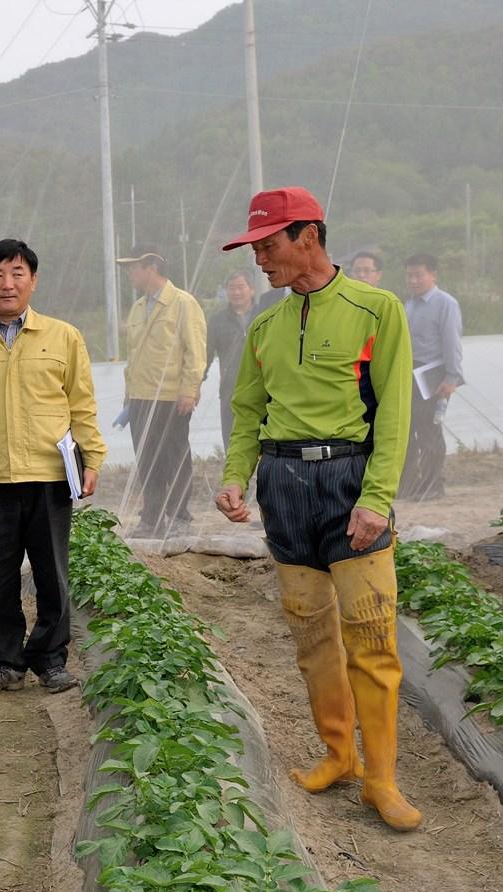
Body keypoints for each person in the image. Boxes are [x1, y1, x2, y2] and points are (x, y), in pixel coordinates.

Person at [216, 186, 420, 831]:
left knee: (372, 633)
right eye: (253, 247)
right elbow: (248, 411)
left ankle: (381, 779)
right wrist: (235, 478)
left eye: (267, 244)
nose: (258, 260)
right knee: (311, 633)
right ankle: (339, 756)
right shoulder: (266, 326)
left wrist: (377, 499)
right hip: (283, 485)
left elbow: (394, 415)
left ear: (308, 236)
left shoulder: (375, 310)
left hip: (349, 481)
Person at [0, 239, 105, 695]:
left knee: (52, 572)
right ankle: (5, 660)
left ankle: (51, 660)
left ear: (33, 280)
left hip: (49, 474)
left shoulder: (62, 337)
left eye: (16, 273)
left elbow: (82, 406)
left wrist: (91, 458)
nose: (7, 283)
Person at [116, 246, 207, 537]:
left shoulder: (183, 303)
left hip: (171, 397)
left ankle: (179, 516)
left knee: (174, 457)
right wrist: (129, 398)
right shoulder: (138, 307)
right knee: (147, 458)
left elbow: (195, 351)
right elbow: (134, 356)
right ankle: (152, 518)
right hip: (142, 397)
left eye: (134, 267)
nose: (130, 274)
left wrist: (189, 390)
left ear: (151, 266)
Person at [399, 253, 464, 501]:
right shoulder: (410, 304)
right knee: (409, 430)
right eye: (409, 275)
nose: (413, 280)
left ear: (433, 275)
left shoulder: (445, 303)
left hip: (434, 375)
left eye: (419, 275)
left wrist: (452, 377)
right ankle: (413, 484)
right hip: (411, 374)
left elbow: (452, 343)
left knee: (429, 430)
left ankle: (433, 485)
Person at [204, 270, 257, 449]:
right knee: (233, 443)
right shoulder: (218, 321)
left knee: (265, 444)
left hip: (264, 391)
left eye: (241, 287)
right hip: (231, 392)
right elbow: (206, 356)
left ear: (252, 290)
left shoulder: (266, 316)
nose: (236, 292)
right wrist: (193, 386)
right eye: (231, 288)